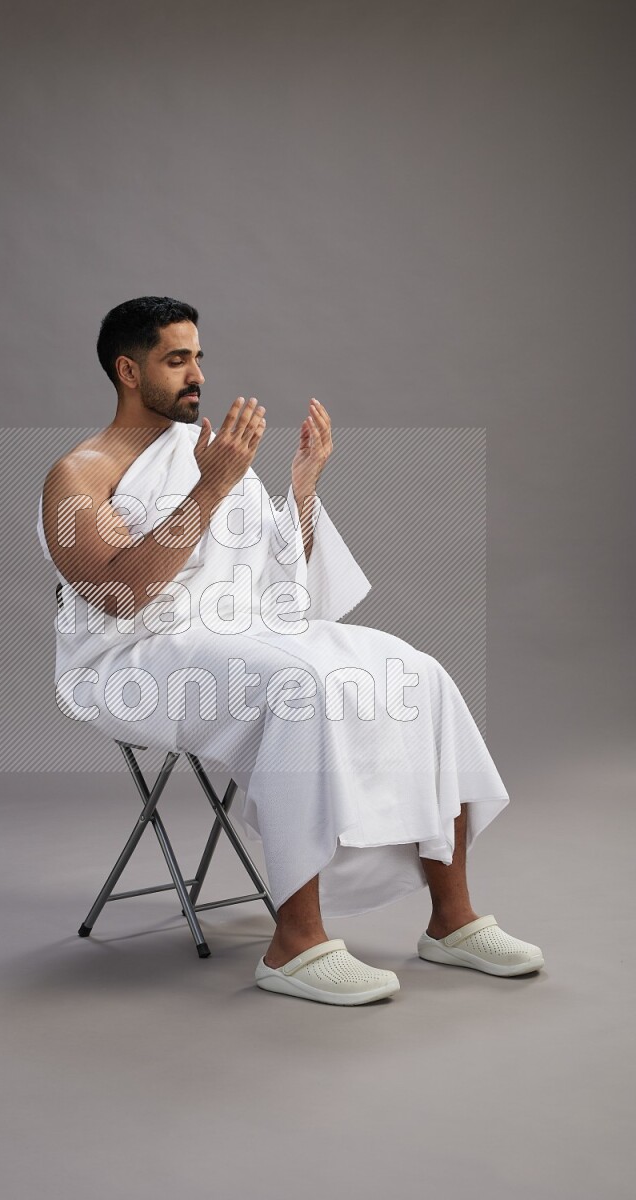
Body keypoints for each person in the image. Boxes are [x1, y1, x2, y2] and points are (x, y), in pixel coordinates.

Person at [36, 296, 544, 1006]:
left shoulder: (207, 453)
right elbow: (124, 591)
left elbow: (277, 583)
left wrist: (301, 489)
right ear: (128, 370)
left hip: (240, 631)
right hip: (137, 659)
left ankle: (451, 920)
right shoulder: (80, 476)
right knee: (297, 686)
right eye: (175, 360)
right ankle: (295, 944)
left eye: (198, 358)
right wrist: (212, 485)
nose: (197, 376)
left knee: (417, 673)